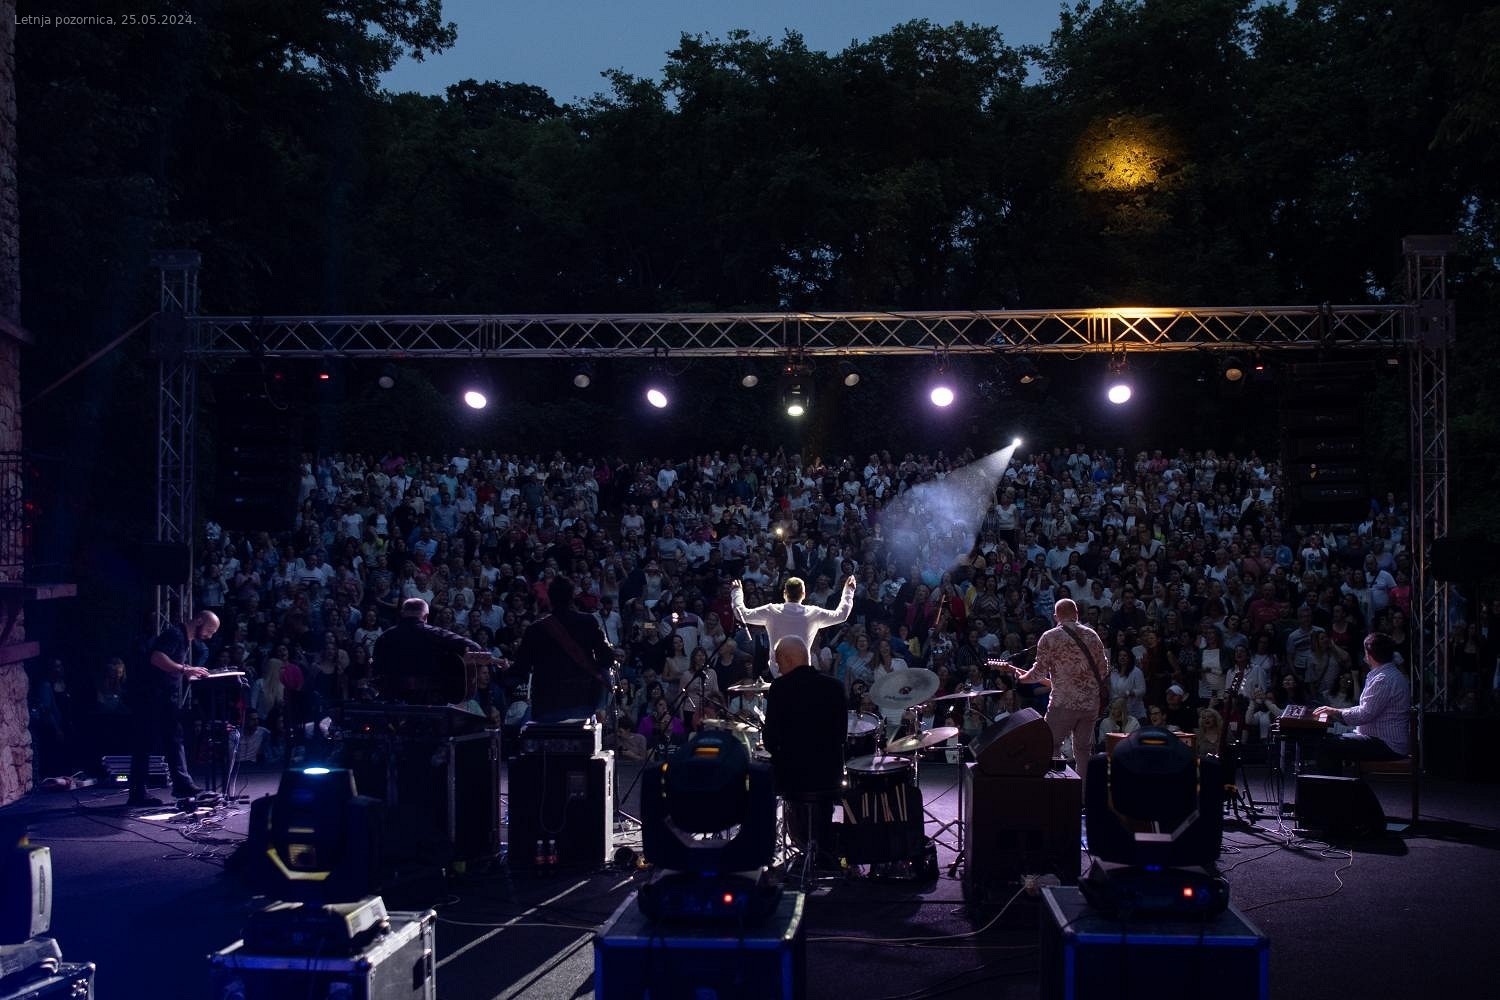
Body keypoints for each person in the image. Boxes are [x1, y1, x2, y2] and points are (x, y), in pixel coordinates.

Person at [1006, 598, 1107, 786]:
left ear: (1056, 616)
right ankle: (1081, 795)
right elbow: (1103, 669)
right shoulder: (1092, 635)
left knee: (1049, 745)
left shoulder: (1050, 637)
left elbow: (1038, 673)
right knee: (1083, 750)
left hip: (1063, 704)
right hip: (1090, 705)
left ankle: (1056, 792)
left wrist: (1022, 678)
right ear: (1076, 614)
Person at [762, 636, 846, 860]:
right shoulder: (835, 687)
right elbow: (841, 735)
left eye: (778, 661)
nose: (777, 667)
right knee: (822, 805)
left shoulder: (780, 688)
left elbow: (770, 739)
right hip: (829, 777)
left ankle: (801, 844)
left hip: (793, 778)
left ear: (788, 659)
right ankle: (823, 850)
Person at [127, 610, 219, 807]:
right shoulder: (175, 634)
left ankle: (180, 785)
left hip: (162, 696)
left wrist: (186, 671)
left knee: (172, 739)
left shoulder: (183, 637)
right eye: (210, 630)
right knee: (148, 742)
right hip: (153, 695)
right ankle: (140, 793)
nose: (209, 636)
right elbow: (156, 658)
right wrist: (185, 669)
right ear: (199, 621)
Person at [513, 575, 615, 723]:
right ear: (572, 597)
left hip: (546, 704)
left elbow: (521, 668)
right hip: (581, 700)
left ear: (550, 598)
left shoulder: (535, 629)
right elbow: (606, 658)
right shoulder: (588, 622)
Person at [1314, 632, 1410, 772]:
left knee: (1327, 746)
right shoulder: (1388, 675)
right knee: (1330, 741)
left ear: (1369, 655)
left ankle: (1333, 786)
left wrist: (1334, 712)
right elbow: (1365, 709)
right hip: (1383, 740)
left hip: (1387, 744)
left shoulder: (1383, 679)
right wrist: (1335, 711)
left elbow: (1364, 715)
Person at [730, 574, 856, 676]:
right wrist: (848, 591)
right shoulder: (813, 613)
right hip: (800, 672)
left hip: (778, 672)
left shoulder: (771, 611)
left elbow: (741, 614)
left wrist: (736, 592)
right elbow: (841, 615)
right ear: (804, 594)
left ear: (785, 593)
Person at [372, 597, 486, 704]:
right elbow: (474, 647)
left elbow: (376, 668)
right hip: (429, 700)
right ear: (426, 616)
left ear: (402, 614)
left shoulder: (384, 636)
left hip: (393, 699)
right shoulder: (436, 633)